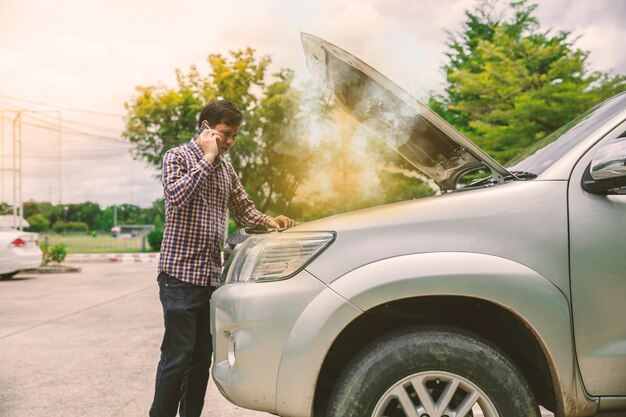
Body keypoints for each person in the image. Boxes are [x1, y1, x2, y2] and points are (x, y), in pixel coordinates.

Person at [150, 100, 295, 417]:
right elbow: (176, 198)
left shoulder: (227, 169)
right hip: (178, 278)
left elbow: (245, 208)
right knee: (178, 355)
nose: (229, 141)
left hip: (209, 279)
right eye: (225, 134)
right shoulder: (178, 157)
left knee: (201, 358)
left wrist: (271, 221)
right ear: (205, 127)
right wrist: (208, 157)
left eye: (234, 136)